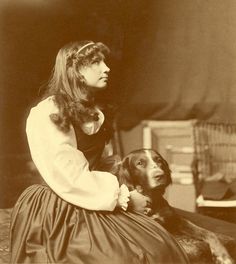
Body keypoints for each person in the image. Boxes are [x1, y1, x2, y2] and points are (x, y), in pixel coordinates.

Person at [10, 40, 189, 264]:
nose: (106, 68)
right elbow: (68, 176)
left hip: (96, 195)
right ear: (75, 71)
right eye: (96, 62)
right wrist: (124, 199)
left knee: (159, 247)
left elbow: (102, 163)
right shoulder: (49, 112)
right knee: (125, 257)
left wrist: (127, 186)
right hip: (59, 204)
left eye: (104, 61)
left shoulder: (95, 111)